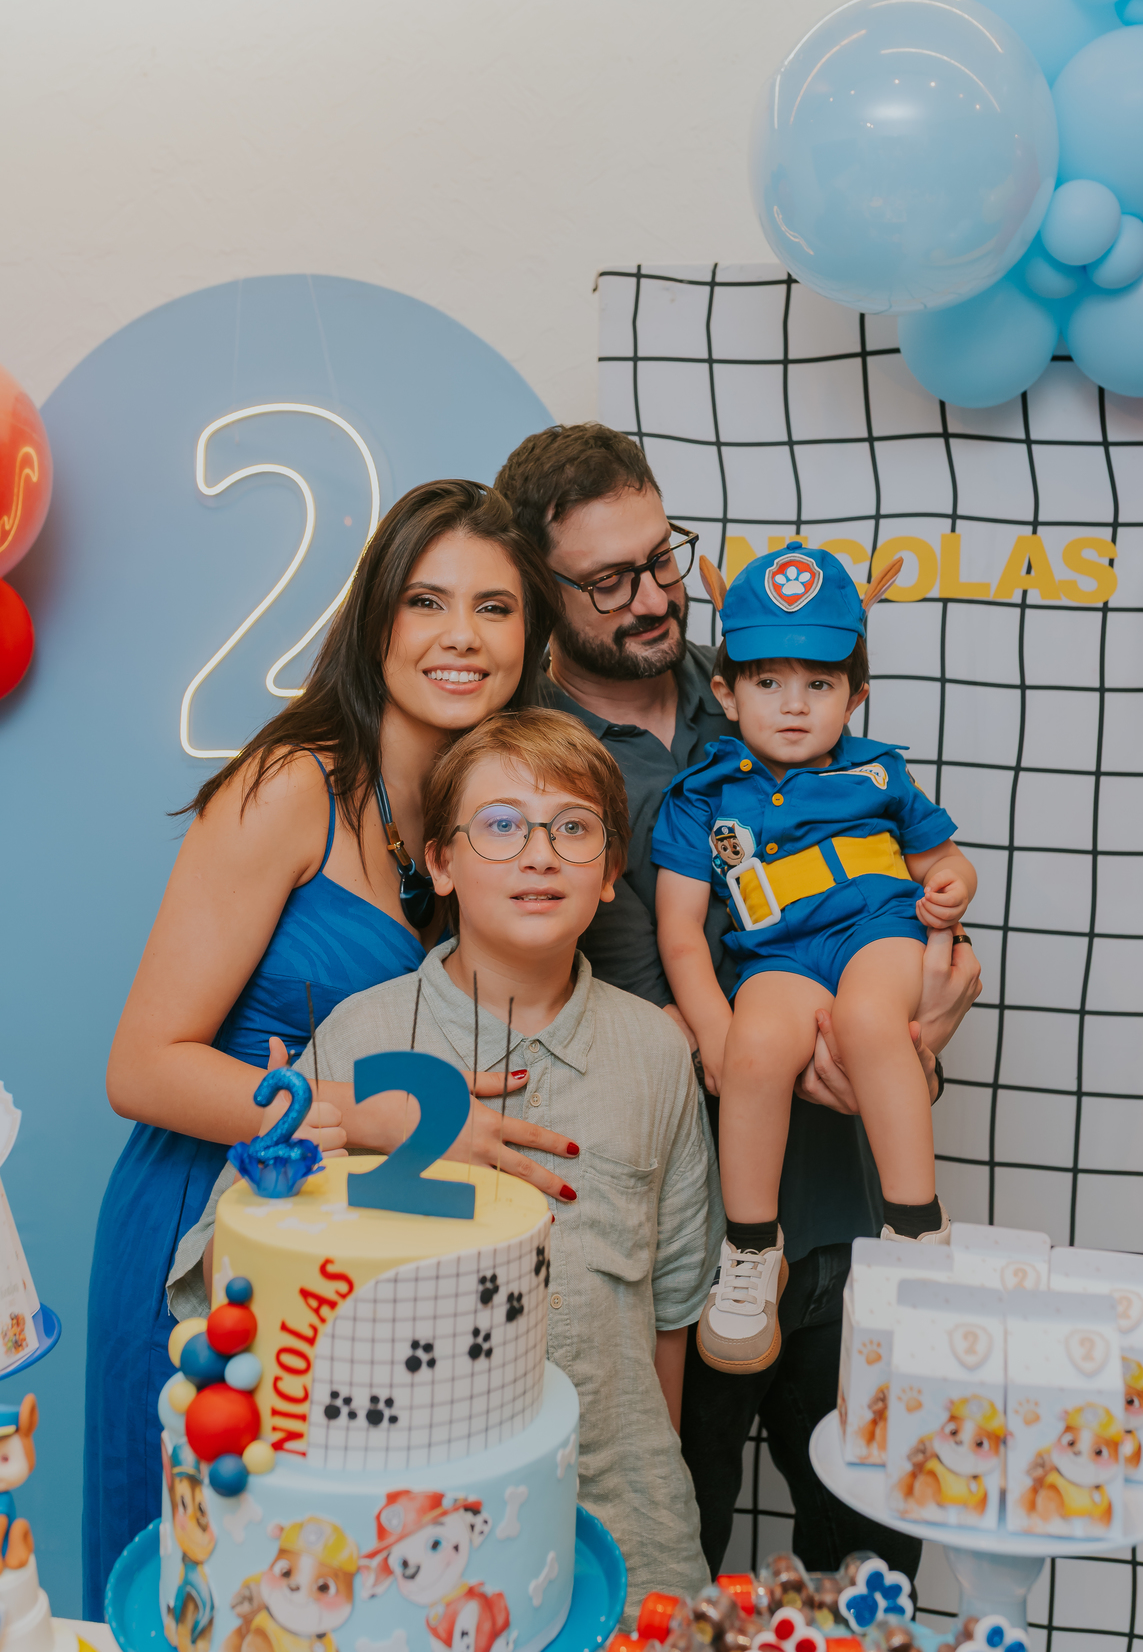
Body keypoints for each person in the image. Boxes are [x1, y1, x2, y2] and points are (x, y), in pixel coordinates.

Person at [493, 423, 982, 1579]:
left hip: (849, 1229)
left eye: (665, 557)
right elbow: (495, 1000)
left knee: (868, 1573)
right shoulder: (529, 768)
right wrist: (676, 1033)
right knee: (664, 1570)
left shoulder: (774, 687)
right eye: (611, 580)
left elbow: (894, 895)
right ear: (536, 585)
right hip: (664, 1266)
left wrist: (923, 1018)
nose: (656, 596)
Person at [84, 480, 573, 1616]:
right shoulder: (289, 785)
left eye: (495, 609)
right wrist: (353, 1116)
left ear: (531, 640)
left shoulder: (473, 812)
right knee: (206, 1582)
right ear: (375, 623)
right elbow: (142, 1065)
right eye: (427, 602)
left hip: (346, 1252)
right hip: (201, 1227)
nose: (461, 637)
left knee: (332, 1590)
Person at [166, 709, 721, 1624]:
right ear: (443, 863)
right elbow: (234, 1280)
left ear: (613, 873)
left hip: (623, 1523)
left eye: (574, 828)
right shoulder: (362, 1036)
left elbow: (668, 1321)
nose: (539, 853)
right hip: (411, 1546)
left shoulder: (656, 1057)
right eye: (500, 825)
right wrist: (333, 1132)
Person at [653, 546, 977, 1374]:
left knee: (872, 1021)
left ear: (855, 694)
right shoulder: (703, 794)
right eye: (768, 683)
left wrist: (949, 890)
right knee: (757, 1046)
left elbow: (944, 859)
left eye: (820, 685)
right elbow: (684, 930)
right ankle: (754, 1249)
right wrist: (715, 1028)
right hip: (780, 956)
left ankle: (916, 1229)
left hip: (876, 937)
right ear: (725, 691)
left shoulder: (879, 774)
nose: (793, 707)